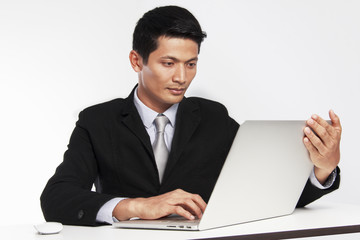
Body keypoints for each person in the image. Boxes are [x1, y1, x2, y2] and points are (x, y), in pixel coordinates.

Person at [40, 6, 342, 226]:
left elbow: (267, 191)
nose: (182, 77)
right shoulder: (97, 122)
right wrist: (135, 206)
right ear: (136, 60)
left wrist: (322, 170)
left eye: (191, 63)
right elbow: (56, 198)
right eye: (169, 63)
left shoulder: (213, 117)